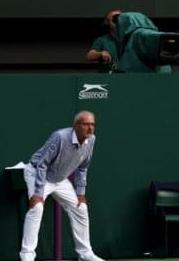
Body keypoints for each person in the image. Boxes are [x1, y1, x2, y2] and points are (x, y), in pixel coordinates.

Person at [19, 111, 105, 261]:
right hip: (38, 174)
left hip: (60, 180)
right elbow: (41, 164)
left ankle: (85, 254)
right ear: (76, 126)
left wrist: (80, 192)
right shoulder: (60, 137)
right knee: (37, 208)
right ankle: (27, 255)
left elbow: (83, 167)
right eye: (86, 124)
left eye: (93, 124)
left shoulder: (91, 140)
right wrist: (38, 193)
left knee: (81, 207)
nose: (90, 128)